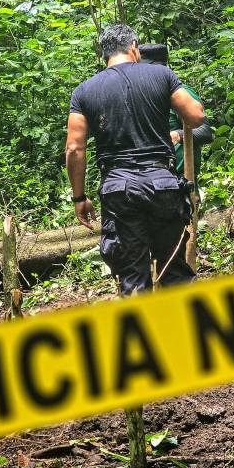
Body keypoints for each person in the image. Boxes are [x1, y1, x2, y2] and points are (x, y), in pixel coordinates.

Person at [66, 24, 206, 295]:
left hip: (119, 190)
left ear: (103, 53)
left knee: (132, 274)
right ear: (133, 47)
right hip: (163, 184)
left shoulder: (84, 91)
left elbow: (74, 148)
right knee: (174, 271)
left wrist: (79, 197)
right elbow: (197, 117)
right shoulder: (161, 75)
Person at [137, 44, 214, 179]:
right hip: (148, 177)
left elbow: (205, 132)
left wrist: (178, 135)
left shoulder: (179, 93)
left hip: (181, 178)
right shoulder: (140, 97)